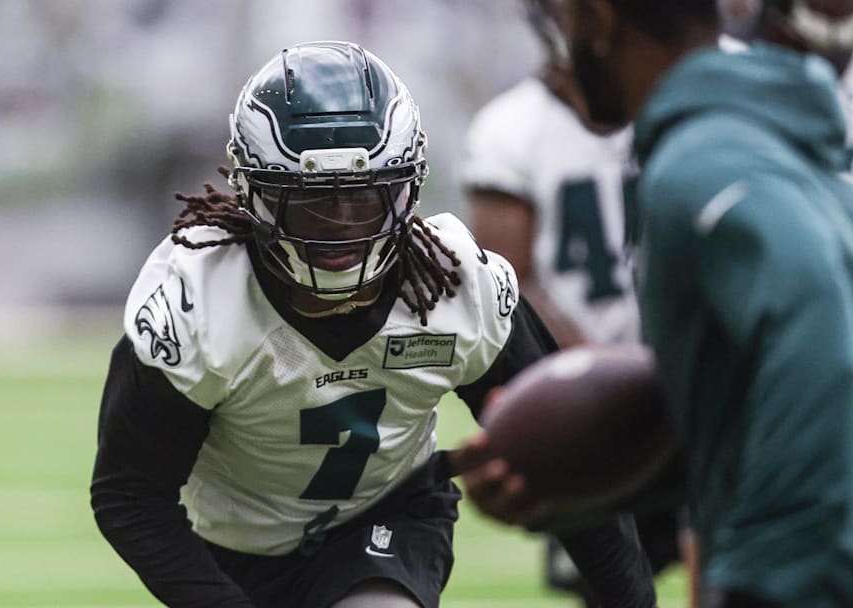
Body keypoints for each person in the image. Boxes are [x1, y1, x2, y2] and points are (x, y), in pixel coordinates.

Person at [90, 40, 657, 608]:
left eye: (365, 197)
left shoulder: (459, 286)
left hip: (386, 522)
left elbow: (561, 452)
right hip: (228, 548)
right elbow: (130, 494)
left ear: (406, 189)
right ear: (255, 194)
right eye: (312, 200)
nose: (341, 226)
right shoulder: (200, 301)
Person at [455, 1, 853, 607]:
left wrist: (772, 575)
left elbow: (825, 340)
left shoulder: (700, 160)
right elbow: (745, 409)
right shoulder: (758, 128)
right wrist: (573, 480)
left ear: (598, 19)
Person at [459, 1, 693, 605]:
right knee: (613, 580)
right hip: (595, 394)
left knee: (722, 564)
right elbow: (504, 285)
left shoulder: (700, 104)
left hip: (696, 377)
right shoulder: (514, 128)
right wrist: (603, 374)